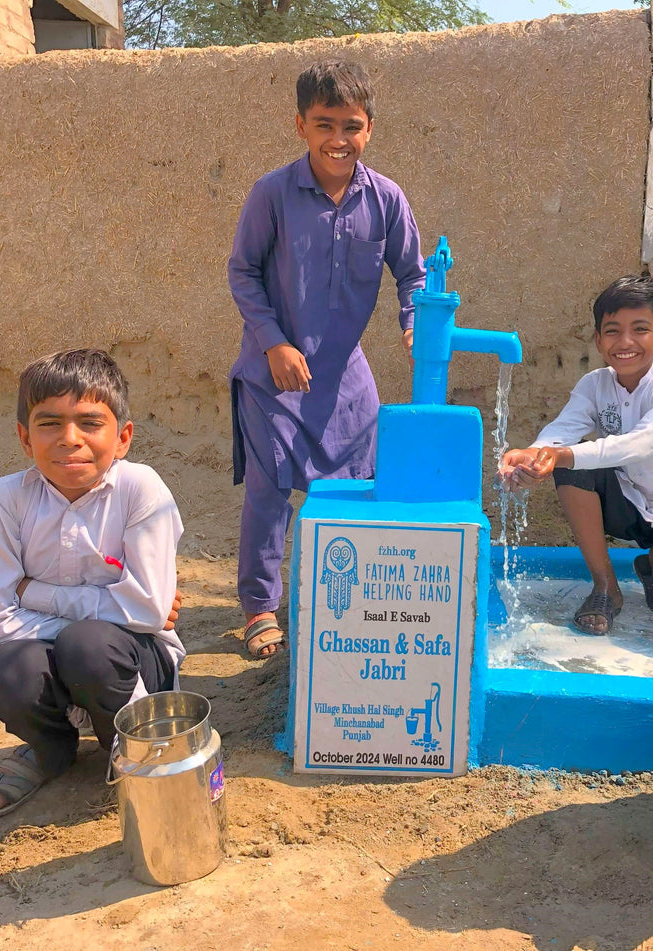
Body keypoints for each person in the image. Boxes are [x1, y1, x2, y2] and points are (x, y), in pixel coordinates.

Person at [228, 59, 425, 657]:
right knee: (270, 489)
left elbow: (413, 276)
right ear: (300, 126)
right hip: (274, 373)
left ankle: (340, 600)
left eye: (352, 126)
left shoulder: (387, 199)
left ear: (370, 129)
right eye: (324, 125)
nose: (338, 140)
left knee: (360, 482)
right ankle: (261, 607)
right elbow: (241, 272)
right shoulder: (272, 194)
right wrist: (274, 342)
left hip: (343, 376)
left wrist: (415, 325)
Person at [0, 349, 184, 817]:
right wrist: (116, 606)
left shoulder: (140, 490)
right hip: (77, 651)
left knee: (90, 646)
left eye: (90, 423)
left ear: (123, 437)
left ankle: (133, 749)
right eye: (49, 424)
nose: (70, 440)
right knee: (9, 671)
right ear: (25, 438)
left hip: (136, 667)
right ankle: (51, 749)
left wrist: (32, 594)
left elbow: (146, 614)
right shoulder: (5, 501)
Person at [499, 275, 653, 634]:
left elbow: (641, 443)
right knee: (572, 468)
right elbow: (563, 429)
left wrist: (563, 454)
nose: (626, 342)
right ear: (599, 340)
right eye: (613, 331)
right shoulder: (594, 384)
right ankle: (606, 588)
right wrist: (534, 455)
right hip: (624, 504)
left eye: (640, 329)